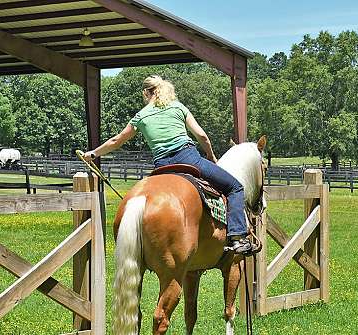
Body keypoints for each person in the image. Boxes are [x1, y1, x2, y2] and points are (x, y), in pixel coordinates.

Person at [82, 75, 253, 254]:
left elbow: (116, 140)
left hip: (161, 166)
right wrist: (211, 156)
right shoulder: (178, 107)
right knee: (235, 187)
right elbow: (202, 136)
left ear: (146, 93)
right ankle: (238, 237)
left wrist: (93, 154)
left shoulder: (140, 116)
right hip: (189, 159)